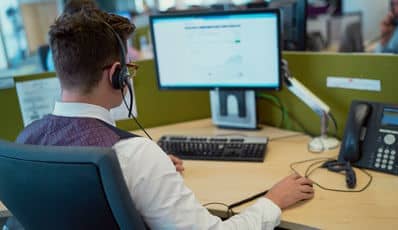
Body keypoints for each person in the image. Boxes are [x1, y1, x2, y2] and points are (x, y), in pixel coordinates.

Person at [15, 4, 314, 230]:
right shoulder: (134, 156)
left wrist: (148, 176)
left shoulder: (26, 141)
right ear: (116, 75)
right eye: (129, 70)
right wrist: (273, 201)